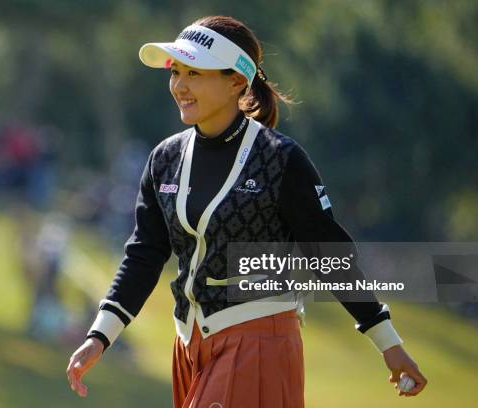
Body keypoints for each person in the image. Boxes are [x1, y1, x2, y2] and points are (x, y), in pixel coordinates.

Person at [66, 15, 427, 407]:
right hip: (188, 346)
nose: (179, 86)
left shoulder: (280, 159)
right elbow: (144, 253)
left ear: (237, 81)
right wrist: (99, 336)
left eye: (195, 73)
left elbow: (329, 254)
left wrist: (388, 343)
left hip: (258, 342)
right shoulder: (164, 159)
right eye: (176, 72)